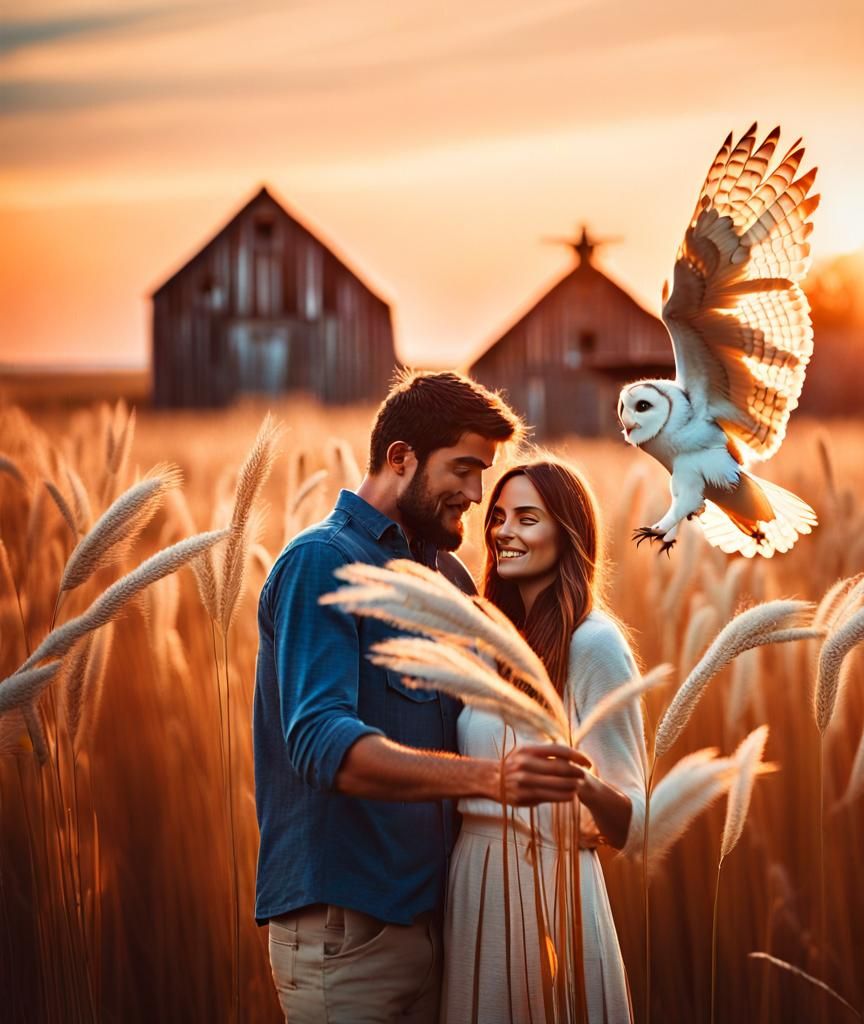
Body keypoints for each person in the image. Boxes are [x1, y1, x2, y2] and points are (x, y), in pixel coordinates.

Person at [253, 372, 590, 1024]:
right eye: (463, 468)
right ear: (400, 457)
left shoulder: (450, 576)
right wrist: (491, 780)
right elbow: (323, 744)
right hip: (348, 941)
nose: (476, 493)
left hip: (442, 930)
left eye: (484, 473)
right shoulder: (322, 563)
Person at [442, 458, 648, 1023]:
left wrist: (583, 784)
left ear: (568, 532)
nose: (504, 531)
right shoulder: (488, 640)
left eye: (527, 518)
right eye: (500, 516)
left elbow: (637, 822)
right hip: (474, 881)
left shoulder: (595, 644)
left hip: (552, 889)